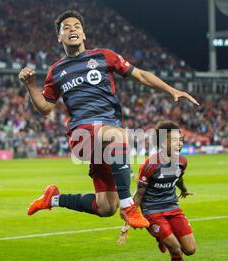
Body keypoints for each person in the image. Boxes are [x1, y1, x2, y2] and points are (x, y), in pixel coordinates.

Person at [19, 10, 199, 228]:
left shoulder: (104, 56)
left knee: (105, 207)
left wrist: (171, 90)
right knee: (119, 136)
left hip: (107, 139)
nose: (72, 30)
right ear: (59, 37)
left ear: (84, 34)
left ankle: (52, 199)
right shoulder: (56, 71)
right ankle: (129, 206)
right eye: (66, 28)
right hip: (82, 134)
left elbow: (140, 74)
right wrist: (30, 86)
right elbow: (45, 108)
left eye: (76, 26)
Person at [117, 121, 199, 261]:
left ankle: (161, 238)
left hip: (173, 207)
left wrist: (183, 190)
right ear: (163, 143)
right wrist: (127, 225)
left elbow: (178, 177)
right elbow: (138, 195)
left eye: (181, 140)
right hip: (153, 211)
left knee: (190, 250)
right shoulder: (150, 165)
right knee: (176, 249)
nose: (180, 143)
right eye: (176, 140)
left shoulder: (183, 161)